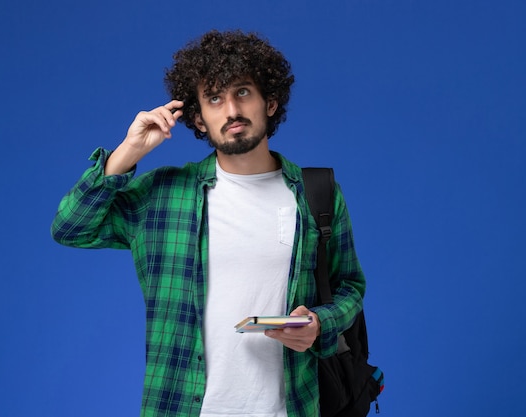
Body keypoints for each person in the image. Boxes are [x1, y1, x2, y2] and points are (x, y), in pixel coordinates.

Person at [51, 29, 366, 417]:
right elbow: (71, 228)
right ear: (199, 119)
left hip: (290, 407)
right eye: (214, 99)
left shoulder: (317, 193)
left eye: (242, 93)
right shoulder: (162, 194)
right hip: (182, 406)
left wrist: (319, 323)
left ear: (270, 102)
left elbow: (350, 286)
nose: (231, 110)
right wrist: (127, 153)